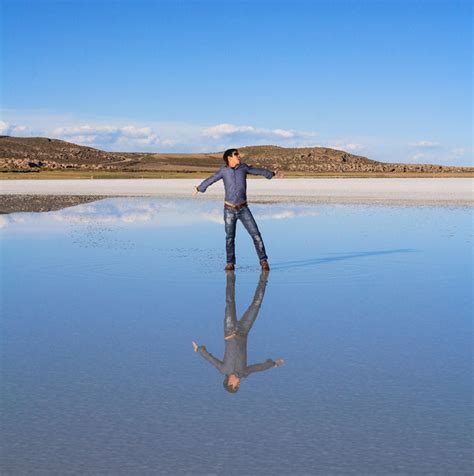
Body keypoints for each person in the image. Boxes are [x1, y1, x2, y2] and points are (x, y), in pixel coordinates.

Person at [192, 270, 284, 393]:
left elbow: (211, 359)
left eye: (236, 386)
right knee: (256, 305)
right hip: (243, 331)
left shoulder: (223, 369)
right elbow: (258, 368)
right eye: (238, 386)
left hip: (229, 330)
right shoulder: (244, 373)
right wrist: (273, 364)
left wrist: (199, 350)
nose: (238, 384)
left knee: (230, 301)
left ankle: (230, 275)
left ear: (230, 383)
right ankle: (264, 277)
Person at [193, 148, 282, 271]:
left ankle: (264, 261)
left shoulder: (243, 168)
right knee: (230, 238)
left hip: (243, 209)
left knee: (256, 235)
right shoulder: (223, 171)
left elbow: (257, 171)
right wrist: (199, 188)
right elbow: (211, 179)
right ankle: (230, 263)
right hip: (229, 209)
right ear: (229, 158)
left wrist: (271, 174)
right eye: (236, 155)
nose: (239, 156)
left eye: (238, 154)